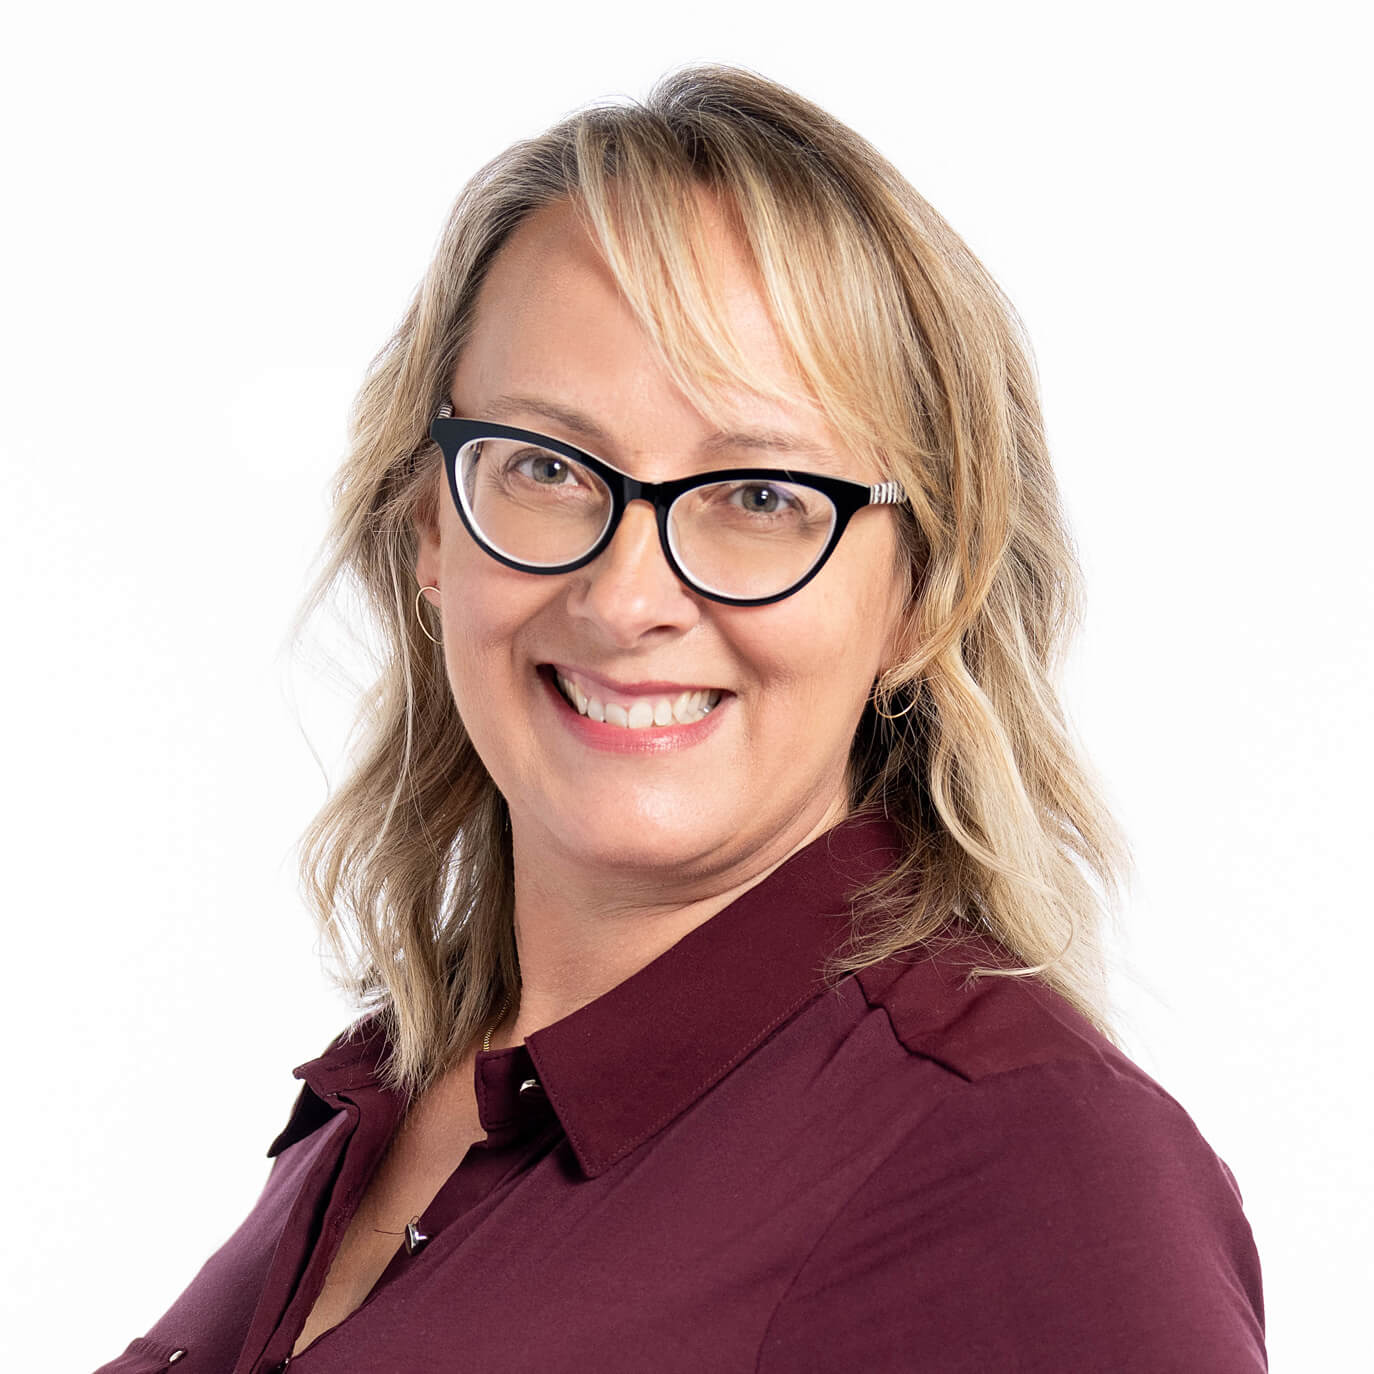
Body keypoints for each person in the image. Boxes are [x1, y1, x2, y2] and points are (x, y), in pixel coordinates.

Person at [95, 65, 1266, 1373]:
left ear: (921, 593)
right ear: (429, 520)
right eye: (544, 466)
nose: (625, 594)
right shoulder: (386, 1097)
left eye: (759, 493)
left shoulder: (1024, 1162)